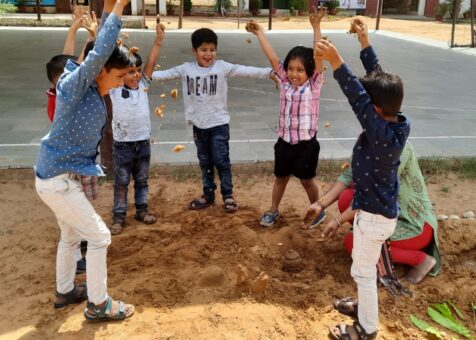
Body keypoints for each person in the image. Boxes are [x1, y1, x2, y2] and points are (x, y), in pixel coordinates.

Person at [35, 0, 135, 321]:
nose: (122, 82)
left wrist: (107, 9)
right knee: (99, 237)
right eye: (119, 76)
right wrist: (120, 5)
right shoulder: (77, 85)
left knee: (71, 235)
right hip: (58, 182)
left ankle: (65, 290)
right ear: (100, 70)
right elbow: (100, 49)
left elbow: (98, 46)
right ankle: (98, 304)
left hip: (57, 178)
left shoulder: (86, 86)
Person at [312, 19, 410, 339]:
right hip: (374, 213)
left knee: (363, 272)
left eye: (372, 105)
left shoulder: (381, 133)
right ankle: (364, 306)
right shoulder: (395, 121)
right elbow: (378, 83)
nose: (368, 107)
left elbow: (359, 97)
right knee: (362, 266)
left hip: (373, 216)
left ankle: (365, 329)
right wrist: (365, 44)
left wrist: (338, 62)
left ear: (377, 110)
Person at [151, 27, 274, 213]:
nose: (208, 54)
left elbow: (247, 71)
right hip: (199, 127)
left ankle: (228, 195)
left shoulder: (222, 67)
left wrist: (271, 73)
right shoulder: (185, 69)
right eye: (203, 50)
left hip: (219, 125)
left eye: (212, 50)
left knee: (221, 161)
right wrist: (135, 76)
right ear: (194, 51)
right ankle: (208, 195)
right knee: (205, 162)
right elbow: (158, 76)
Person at [304, 142, 441, 286]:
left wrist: (338, 221)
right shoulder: (367, 141)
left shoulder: (398, 148)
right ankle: (373, 242)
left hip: (415, 226)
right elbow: (348, 175)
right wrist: (320, 204)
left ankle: (421, 260)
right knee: (346, 198)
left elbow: (371, 195)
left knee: (354, 243)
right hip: (386, 214)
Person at [245, 7, 327, 228]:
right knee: (280, 178)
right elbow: (272, 56)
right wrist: (260, 32)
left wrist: (316, 27)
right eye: (290, 68)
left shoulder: (314, 84)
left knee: (307, 180)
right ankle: (273, 210)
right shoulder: (284, 81)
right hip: (284, 142)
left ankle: (317, 210)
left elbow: (319, 55)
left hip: (306, 145)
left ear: (310, 72)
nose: (294, 74)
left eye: (300, 70)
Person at [45, 8, 98, 273]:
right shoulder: (63, 98)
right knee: (71, 208)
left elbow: (67, 63)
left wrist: (73, 31)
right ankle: (78, 254)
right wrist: (90, 39)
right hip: (67, 162)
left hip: (74, 157)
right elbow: (77, 65)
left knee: (79, 203)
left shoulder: (57, 89)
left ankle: (83, 239)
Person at [108, 22, 166, 235]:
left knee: (142, 179)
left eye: (137, 71)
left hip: (142, 143)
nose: (135, 75)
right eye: (130, 71)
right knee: (121, 181)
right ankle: (119, 216)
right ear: (119, 74)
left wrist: (158, 41)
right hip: (122, 145)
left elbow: (151, 61)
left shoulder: (143, 85)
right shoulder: (113, 89)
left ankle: (142, 210)